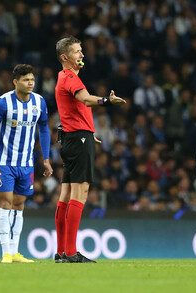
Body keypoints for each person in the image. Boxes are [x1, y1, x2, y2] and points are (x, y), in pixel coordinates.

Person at [54, 36, 126, 263]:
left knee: (65, 194)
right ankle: (72, 252)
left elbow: (74, 109)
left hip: (74, 138)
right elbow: (85, 100)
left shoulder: (63, 77)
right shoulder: (70, 77)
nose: (82, 55)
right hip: (78, 140)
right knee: (80, 193)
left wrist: (87, 131)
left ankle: (61, 252)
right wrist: (107, 101)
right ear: (65, 57)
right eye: (77, 52)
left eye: (81, 51)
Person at [0, 64, 53, 263]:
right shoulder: (3, 103)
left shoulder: (39, 102)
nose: (30, 83)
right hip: (4, 163)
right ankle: (5, 252)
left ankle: (15, 252)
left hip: (26, 164)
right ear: (16, 82)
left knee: (19, 204)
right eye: (26, 80)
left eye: (32, 79)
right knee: (4, 203)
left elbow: (44, 130)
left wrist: (46, 159)